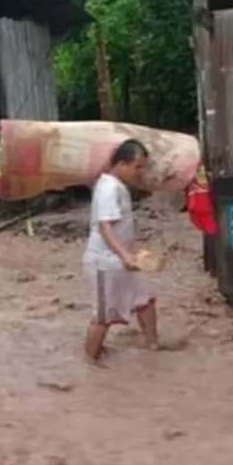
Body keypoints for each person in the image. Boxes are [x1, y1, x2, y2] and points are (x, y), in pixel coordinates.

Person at [82, 139, 160, 364]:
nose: (140, 172)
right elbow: (105, 228)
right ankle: (89, 361)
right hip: (106, 262)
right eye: (137, 167)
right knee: (103, 317)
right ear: (122, 164)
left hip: (123, 259)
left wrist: (130, 255)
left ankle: (152, 345)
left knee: (145, 299)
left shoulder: (116, 186)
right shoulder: (108, 188)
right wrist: (125, 255)